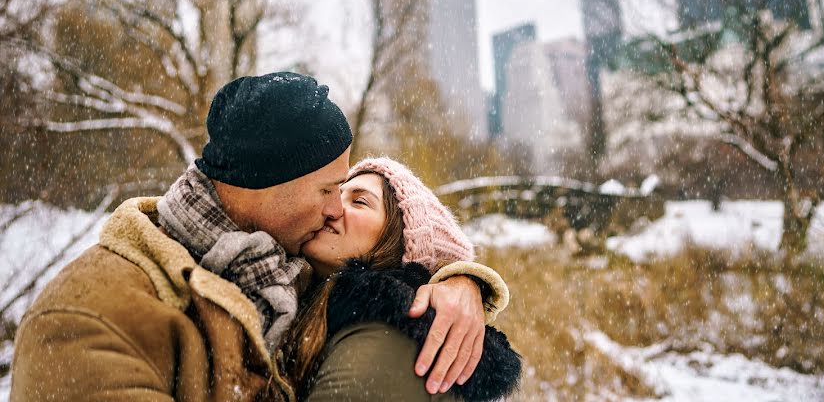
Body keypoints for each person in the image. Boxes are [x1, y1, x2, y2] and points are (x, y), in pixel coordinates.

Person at [10, 72, 508, 401]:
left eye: (352, 195)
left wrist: (461, 281)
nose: (336, 210)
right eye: (330, 189)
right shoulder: (87, 317)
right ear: (266, 187)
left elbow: (403, 259)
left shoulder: (289, 273)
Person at [279, 157, 520, 402]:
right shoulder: (301, 300)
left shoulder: (388, 343)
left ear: (398, 243)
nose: (333, 208)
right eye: (334, 193)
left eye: (360, 201)